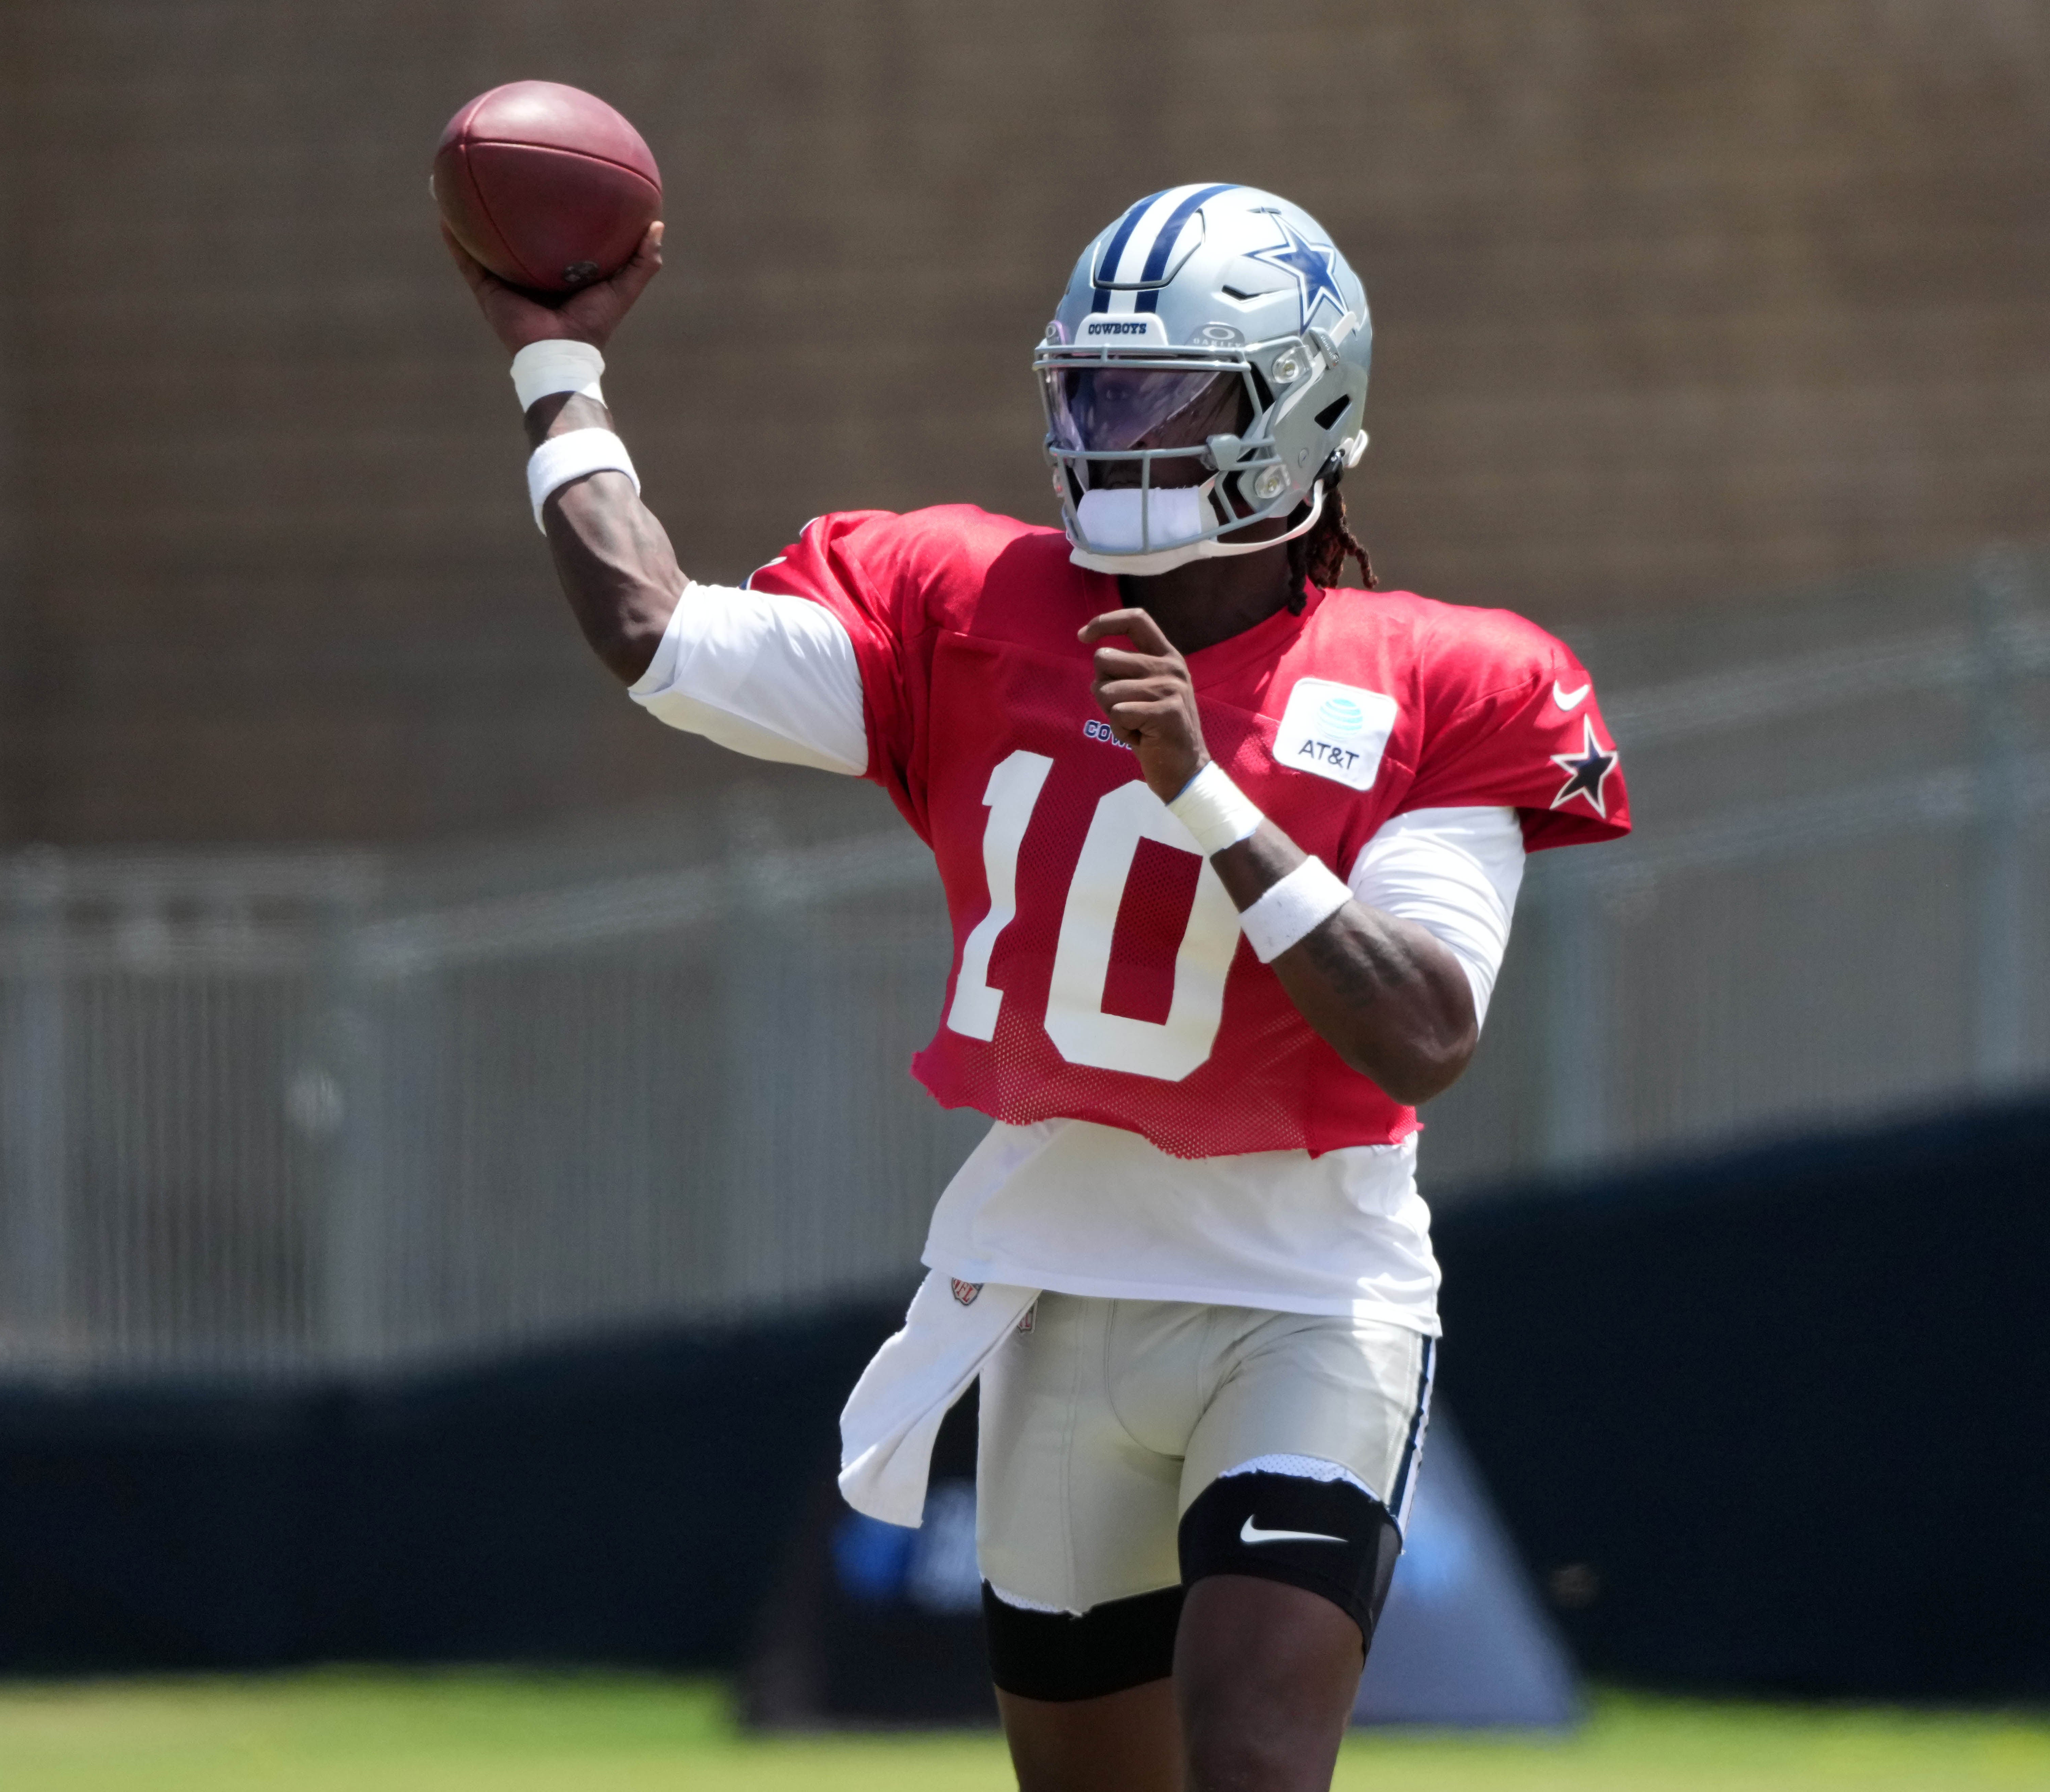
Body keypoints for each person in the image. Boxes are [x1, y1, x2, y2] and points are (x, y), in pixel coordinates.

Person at [447, 183, 1628, 1792]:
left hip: (1308, 1294)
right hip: (1060, 1288)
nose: (1117, 432)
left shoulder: (1434, 676)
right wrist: (554, 374)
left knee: (1257, 1770)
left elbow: (1422, 1032)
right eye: (1095, 391)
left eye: (1168, 394)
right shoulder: (967, 606)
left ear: (1304, 405)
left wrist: (1206, 791)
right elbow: (655, 633)